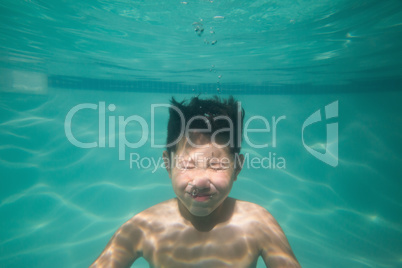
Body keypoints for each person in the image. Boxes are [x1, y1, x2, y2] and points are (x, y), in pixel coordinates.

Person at [90, 96, 300, 268]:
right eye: (188, 165)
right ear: (168, 164)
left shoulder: (257, 224)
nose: (200, 181)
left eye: (215, 165)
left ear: (237, 167)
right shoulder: (144, 227)